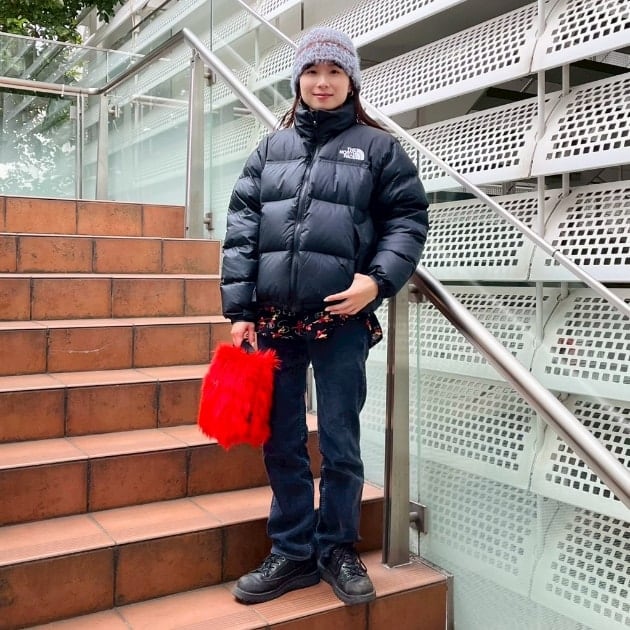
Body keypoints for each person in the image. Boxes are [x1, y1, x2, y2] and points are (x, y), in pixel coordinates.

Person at [220, 26, 429, 606]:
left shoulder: (379, 147)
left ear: (351, 81)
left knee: (340, 438)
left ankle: (337, 547)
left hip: (341, 319)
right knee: (281, 440)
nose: (322, 82)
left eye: (335, 71)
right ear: (298, 81)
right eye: (312, 71)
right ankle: (291, 551)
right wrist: (239, 310)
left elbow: (408, 220)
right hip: (274, 321)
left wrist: (377, 281)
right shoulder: (271, 149)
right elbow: (241, 229)